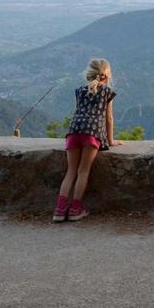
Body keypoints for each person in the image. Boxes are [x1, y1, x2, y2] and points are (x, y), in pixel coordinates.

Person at [52, 58, 121, 222]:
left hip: (74, 131)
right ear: (106, 75)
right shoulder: (107, 92)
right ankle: (75, 209)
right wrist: (111, 141)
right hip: (92, 134)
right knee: (83, 171)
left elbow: (79, 112)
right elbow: (108, 119)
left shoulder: (80, 91)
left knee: (71, 171)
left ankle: (59, 210)